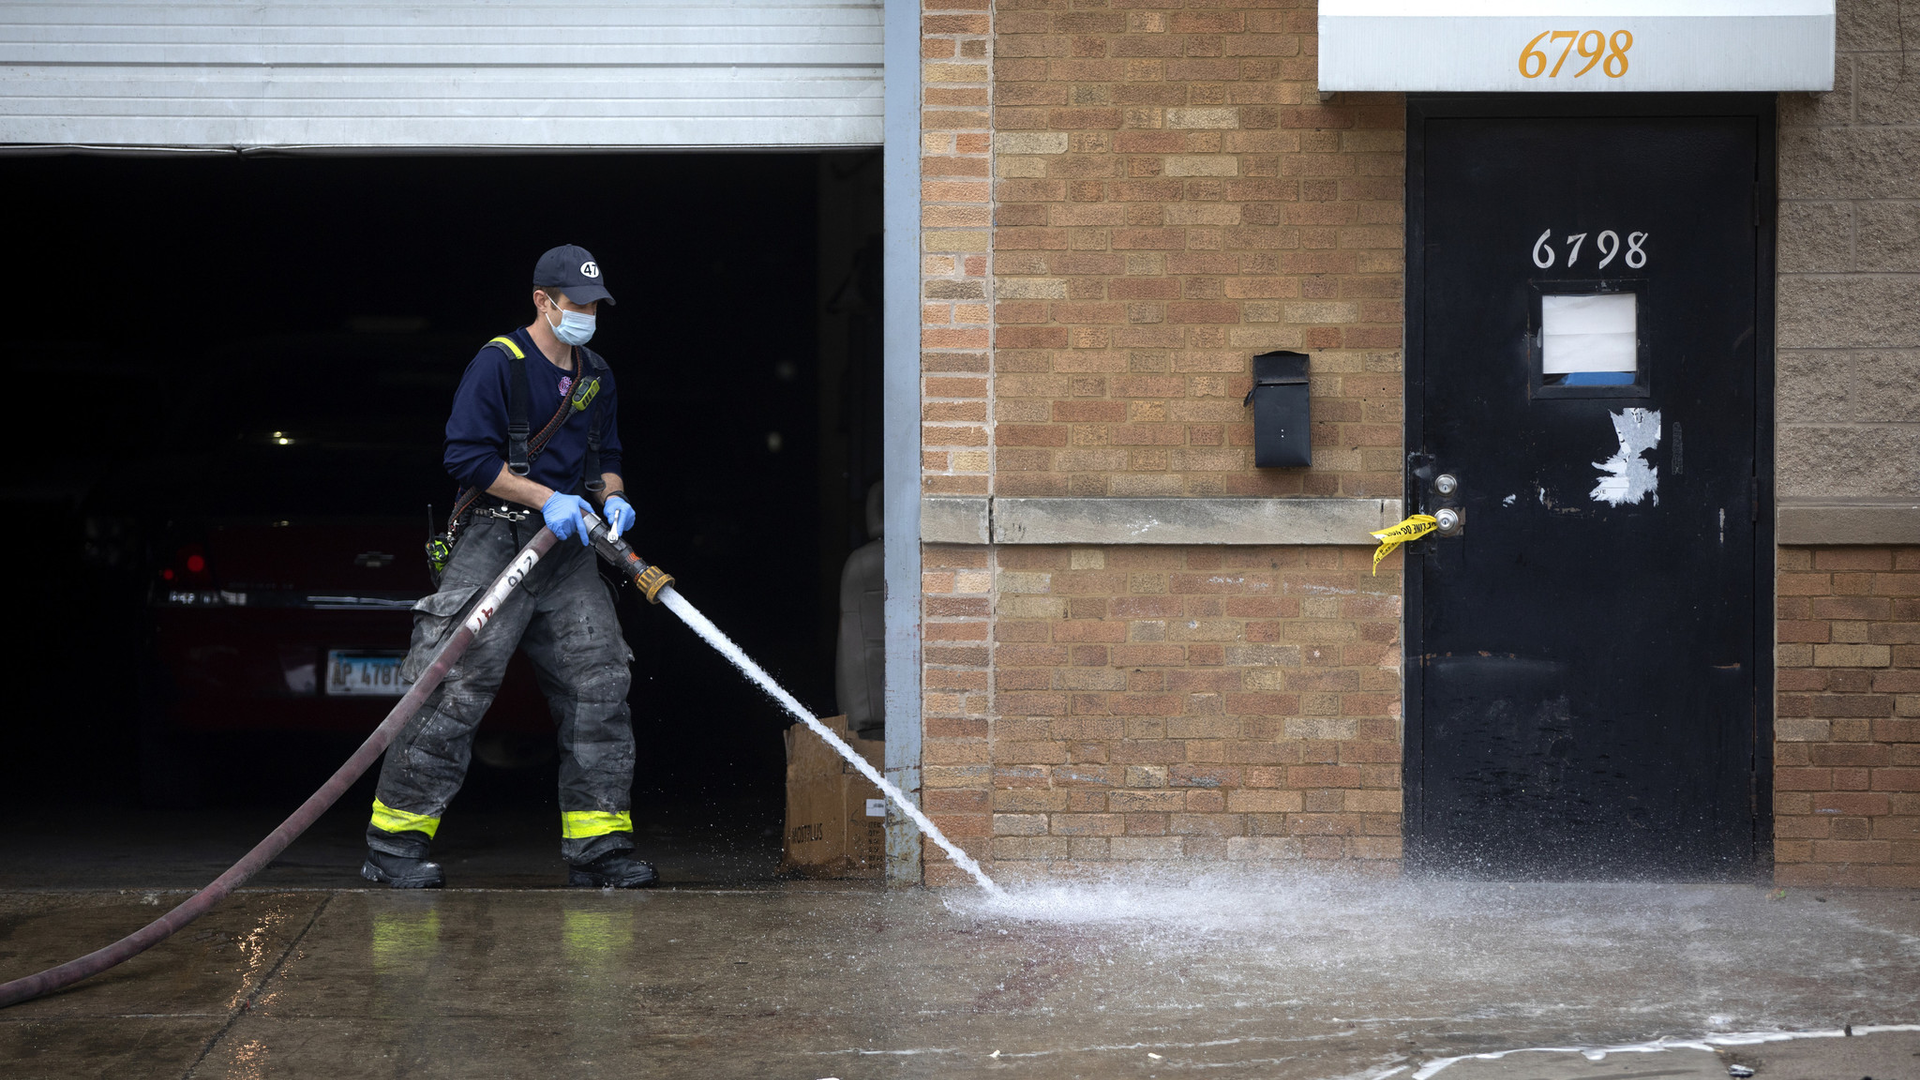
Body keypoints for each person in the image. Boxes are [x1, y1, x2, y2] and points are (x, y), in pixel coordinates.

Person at [361, 244, 654, 889]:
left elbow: (607, 452)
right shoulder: (500, 364)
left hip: (568, 547)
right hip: (497, 535)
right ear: (541, 302)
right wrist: (547, 498)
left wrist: (614, 495)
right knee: (452, 682)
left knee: (598, 682)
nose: (585, 316)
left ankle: (599, 847)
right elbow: (466, 458)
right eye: (574, 306)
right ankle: (395, 845)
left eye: (593, 306)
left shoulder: (596, 373)